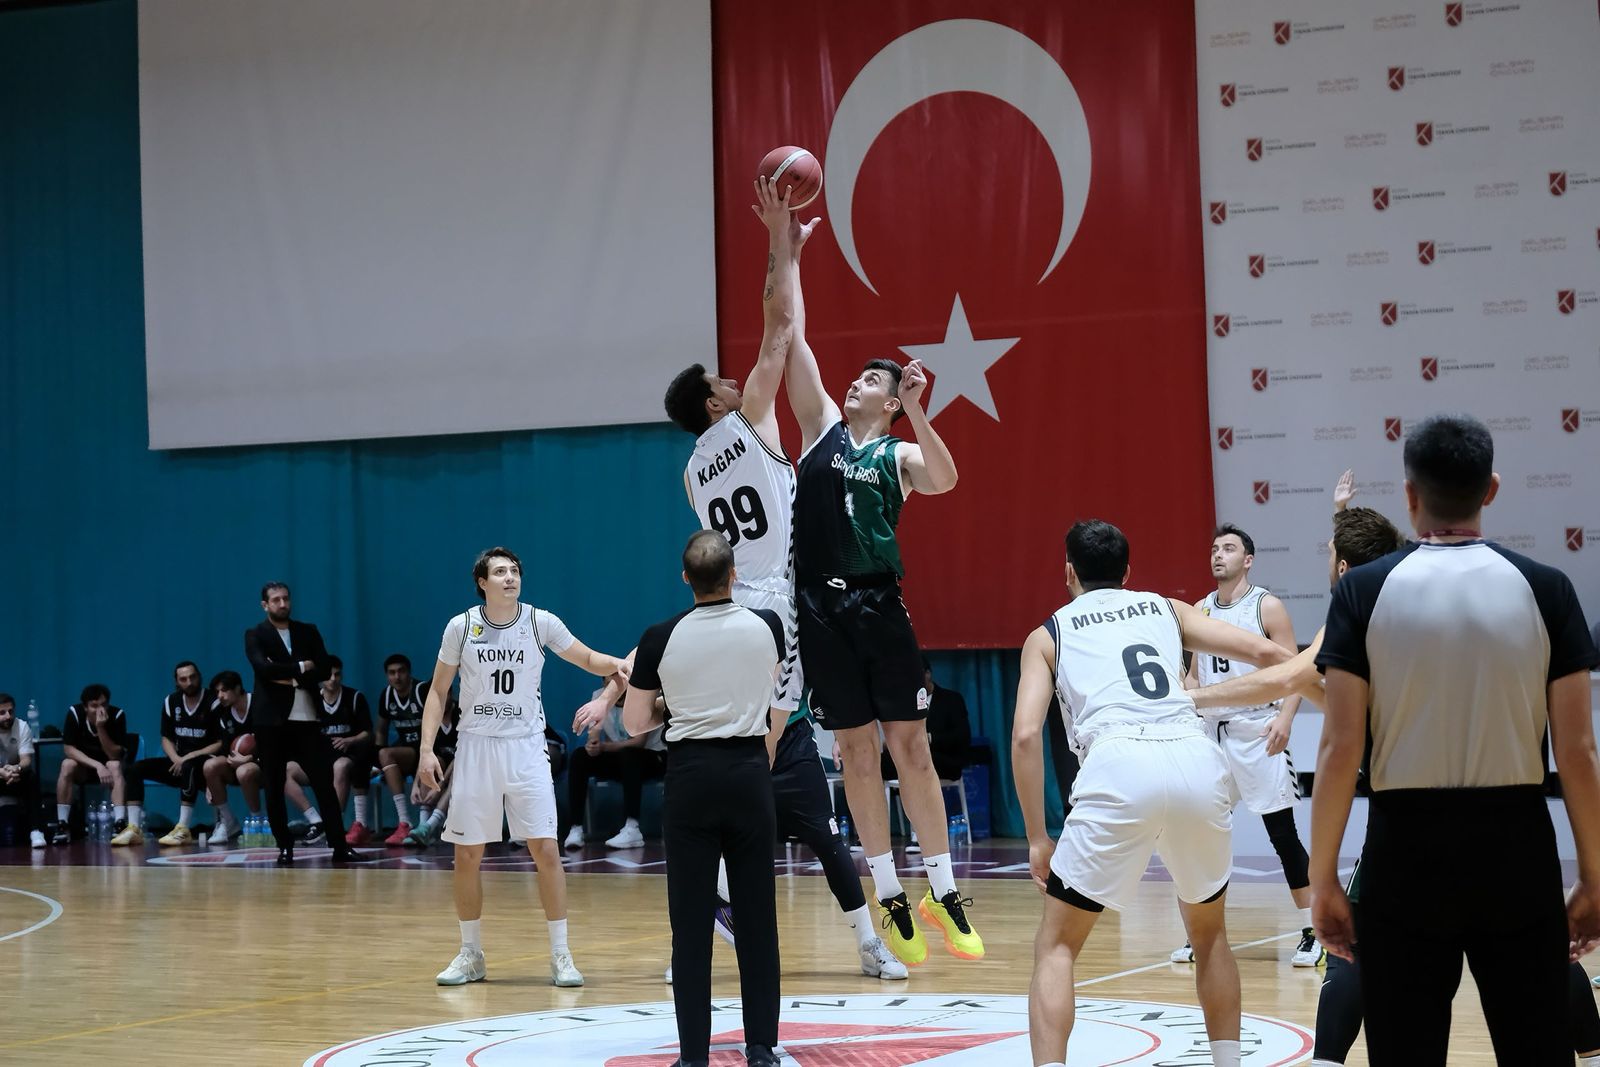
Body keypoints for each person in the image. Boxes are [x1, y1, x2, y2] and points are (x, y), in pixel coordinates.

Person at [648, 178, 906, 980]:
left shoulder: (692, 474)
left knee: (757, 744)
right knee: (762, 748)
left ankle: (718, 886)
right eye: (725, 380)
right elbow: (782, 327)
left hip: (732, 607)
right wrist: (779, 244)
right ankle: (724, 886)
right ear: (716, 398)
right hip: (773, 611)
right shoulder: (749, 416)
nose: (737, 377)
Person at [1312, 414, 1600, 1065]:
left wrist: (1323, 874)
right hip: (1518, 851)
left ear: (1409, 495)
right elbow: (1578, 751)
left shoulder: (1361, 589)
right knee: (1537, 1051)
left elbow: (1337, 749)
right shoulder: (1549, 588)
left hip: (1403, 855)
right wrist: (1594, 873)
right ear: (1491, 488)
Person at [1012, 519, 1294, 1067]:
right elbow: (1266, 654)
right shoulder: (1166, 607)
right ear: (1128, 573)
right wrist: (1324, 676)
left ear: (1068, 571)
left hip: (1117, 763)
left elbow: (1025, 735)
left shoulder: (1047, 634)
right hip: (1193, 755)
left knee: (1058, 945)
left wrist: (1036, 837)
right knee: (1209, 934)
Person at [779, 196, 978, 966]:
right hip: (819, 607)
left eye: (873, 380)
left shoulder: (895, 452)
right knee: (856, 755)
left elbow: (947, 477)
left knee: (912, 747)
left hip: (878, 601)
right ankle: (888, 889)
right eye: (858, 375)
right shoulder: (821, 429)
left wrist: (922, 412)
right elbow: (790, 337)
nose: (857, 381)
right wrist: (788, 254)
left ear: (890, 402)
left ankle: (942, 887)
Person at [418, 546, 626, 989]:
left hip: (526, 747)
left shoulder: (539, 621)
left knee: (545, 849)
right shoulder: (461, 627)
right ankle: (470, 953)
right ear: (482, 582)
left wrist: (619, 665)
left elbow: (588, 659)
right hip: (475, 747)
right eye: (500, 572)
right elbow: (438, 692)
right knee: (466, 854)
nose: (510, 578)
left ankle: (561, 955)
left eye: (514, 571)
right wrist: (426, 750)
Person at [623, 530, 785, 1067]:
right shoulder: (769, 625)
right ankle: (760, 1048)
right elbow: (769, 688)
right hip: (748, 774)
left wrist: (675, 702)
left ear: (685, 578)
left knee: (690, 924)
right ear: (733, 575)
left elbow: (634, 721)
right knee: (757, 916)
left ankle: (693, 1056)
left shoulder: (657, 637)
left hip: (690, 777)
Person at [1171, 523, 1318, 966]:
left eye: (1229, 549)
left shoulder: (1267, 606)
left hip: (1258, 729)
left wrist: (1286, 720)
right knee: (1200, 835)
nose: (1219, 555)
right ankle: (1201, 934)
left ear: (1248, 560)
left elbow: (1296, 670)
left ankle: (1315, 932)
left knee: (1283, 836)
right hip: (1212, 733)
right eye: (1214, 548)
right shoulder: (1199, 608)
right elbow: (1195, 675)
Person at [244, 581, 355, 864]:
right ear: (265, 605)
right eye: (276, 600)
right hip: (271, 721)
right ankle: (284, 847)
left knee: (323, 784)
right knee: (273, 783)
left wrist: (290, 675)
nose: (282, 604)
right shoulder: (255, 634)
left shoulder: (308, 631)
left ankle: (340, 846)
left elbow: (325, 667)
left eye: (285, 598)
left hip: (306, 718)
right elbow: (263, 669)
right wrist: (302, 667)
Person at [115, 661, 223, 847]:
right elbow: (166, 738)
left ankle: (183, 828)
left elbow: (220, 743)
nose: (189, 682)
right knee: (135, 769)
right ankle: (133, 828)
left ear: (199, 677)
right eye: (183, 679)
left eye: (192, 677)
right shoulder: (171, 702)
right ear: (177, 682)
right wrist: (176, 759)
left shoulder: (213, 702)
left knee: (189, 766)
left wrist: (190, 757)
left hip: (204, 763)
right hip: (178, 762)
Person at [564, 688, 666, 850]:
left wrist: (604, 747)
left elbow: (638, 741)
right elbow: (594, 734)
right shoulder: (600, 696)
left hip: (652, 757)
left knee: (630, 755)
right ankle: (576, 828)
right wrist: (593, 744)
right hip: (620, 758)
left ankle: (632, 827)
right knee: (580, 756)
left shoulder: (644, 694)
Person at [284, 656, 371, 846]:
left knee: (340, 766)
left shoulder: (354, 697)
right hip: (320, 759)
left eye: (337, 674)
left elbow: (367, 732)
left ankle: (334, 824)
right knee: (285, 770)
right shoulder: (311, 699)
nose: (333, 679)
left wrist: (351, 740)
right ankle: (316, 820)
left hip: (347, 757)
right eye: (329, 675)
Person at [367, 653, 431, 846]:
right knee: (382, 755)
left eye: (401, 671)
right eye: (392, 673)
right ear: (387, 676)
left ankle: (418, 824)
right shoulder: (387, 696)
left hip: (428, 750)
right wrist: (379, 763)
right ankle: (404, 822)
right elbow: (381, 731)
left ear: (409, 673)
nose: (397, 676)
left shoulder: (421, 691)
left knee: (387, 754)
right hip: (406, 754)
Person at [54, 684, 128, 845]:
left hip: (109, 768)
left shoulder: (117, 715)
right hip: (86, 768)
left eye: (103, 705)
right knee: (67, 764)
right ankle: (62, 824)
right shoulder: (75, 713)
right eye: (94, 706)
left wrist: (101, 727)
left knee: (114, 765)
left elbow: (114, 754)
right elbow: (68, 749)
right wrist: (97, 766)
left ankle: (120, 824)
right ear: (85, 707)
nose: (99, 710)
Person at [202, 671, 257, 845]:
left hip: (262, 763)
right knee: (210, 766)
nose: (220, 696)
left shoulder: (259, 703)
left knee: (244, 771)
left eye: (224, 691)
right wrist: (210, 782)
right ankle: (228, 822)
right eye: (217, 692)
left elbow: (272, 741)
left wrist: (250, 758)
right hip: (236, 763)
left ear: (238, 688)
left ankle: (257, 823)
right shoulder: (222, 712)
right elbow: (225, 747)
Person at [406, 700, 457, 847]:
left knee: (459, 772)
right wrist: (416, 784)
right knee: (431, 763)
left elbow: (460, 756)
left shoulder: (462, 713)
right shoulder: (430, 716)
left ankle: (429, 827)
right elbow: (425, 755)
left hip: (463, 765)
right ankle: (423, 827)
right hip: (443, 764)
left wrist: (440, 785)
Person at [0, 694, 45, 848]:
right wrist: (2, 772)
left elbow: (26, 759)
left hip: (14, 775)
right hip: (1, 774)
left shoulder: (22, 726)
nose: (8, 716)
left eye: (11, 711)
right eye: (2, 713)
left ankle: (36, 831)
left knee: (31, 777)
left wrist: (16, 768)